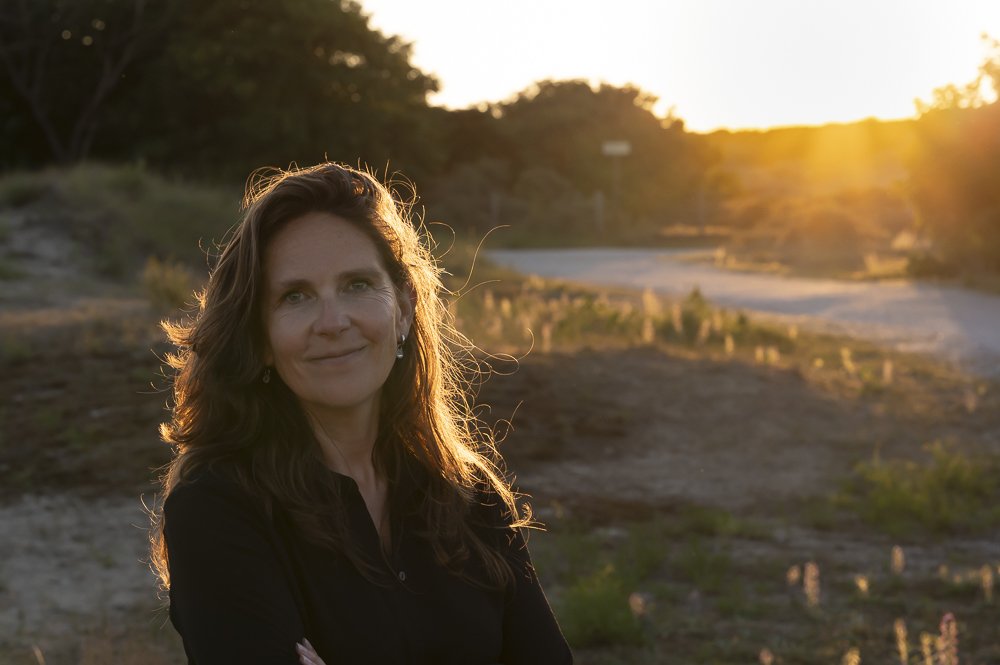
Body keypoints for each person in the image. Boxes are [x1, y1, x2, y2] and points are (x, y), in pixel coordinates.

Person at [148, 162, 572, 664]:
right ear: (260, 338)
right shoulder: (217, 510)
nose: (333, 322)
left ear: (405, 310)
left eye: (357, 285)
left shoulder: (468, 494)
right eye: (295, 296)